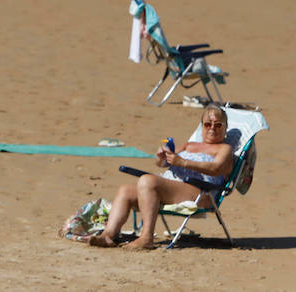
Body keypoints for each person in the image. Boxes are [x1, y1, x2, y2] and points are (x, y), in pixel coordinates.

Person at [89, 106, 234, 249]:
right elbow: (162, 164)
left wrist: (183, 162)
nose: (212, 128)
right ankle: (108, 235)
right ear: (202, 126)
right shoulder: (189, 145)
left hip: (201, 191)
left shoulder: (224, 149)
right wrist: (162, 157)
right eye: (208, 124)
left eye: (218, 125)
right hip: (172, 187)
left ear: (225, 128)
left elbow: (216, 168)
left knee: (148, 181)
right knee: (125, 190)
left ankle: (146, 237)